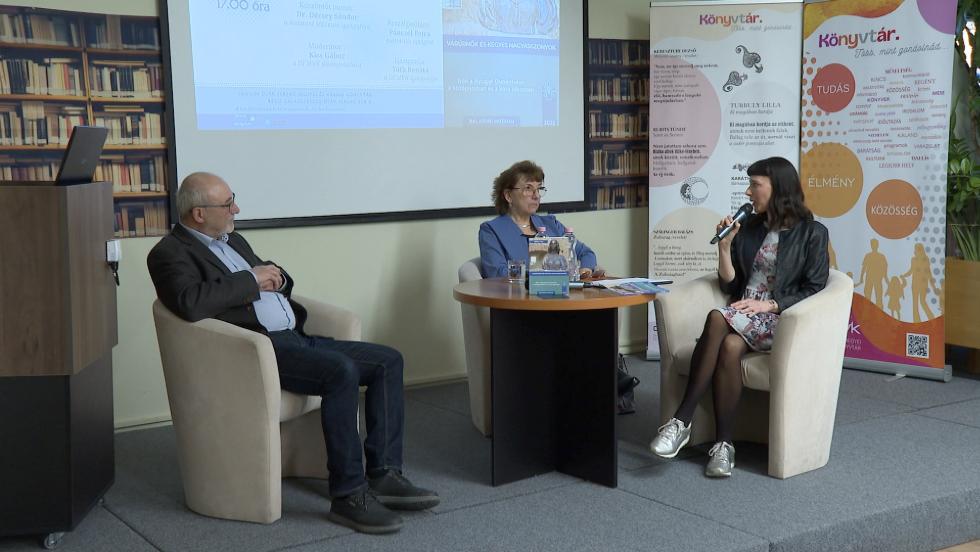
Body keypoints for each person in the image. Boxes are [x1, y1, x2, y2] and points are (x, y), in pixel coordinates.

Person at [146, 172, 439, 534]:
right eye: (228, 204)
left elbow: (270, 276)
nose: (236, 209)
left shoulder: (232, 239)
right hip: (257, 351)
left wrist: (278, 278)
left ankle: (384, 474)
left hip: (294, 338)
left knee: (387, 361)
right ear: (199, 213)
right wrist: (252, 279)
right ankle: (349, 495)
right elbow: (190, 302)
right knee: (341, 371)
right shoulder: (169, 253)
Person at [649, 157, 829, 477]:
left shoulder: (812, 233)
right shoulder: (750, 229)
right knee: (730, 347)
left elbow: (815, 288)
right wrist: (724, 247)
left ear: (778, 188)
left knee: (717, 317)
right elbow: (729, 285)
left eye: (755, 185)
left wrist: (771, 305)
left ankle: (681, 420)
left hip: (780, 319)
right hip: (743, 315)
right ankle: (723, 446)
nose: (748, 192)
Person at [479, 160, 601, 279]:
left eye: (539, 189)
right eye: (528, 188)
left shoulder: (551, 224)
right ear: (508, 196)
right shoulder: (491, 230)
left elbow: (586, 253)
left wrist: (585, 269)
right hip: (517, 292)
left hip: (560, 291)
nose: (536, 195)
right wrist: (545, 273)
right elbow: (497, 273)